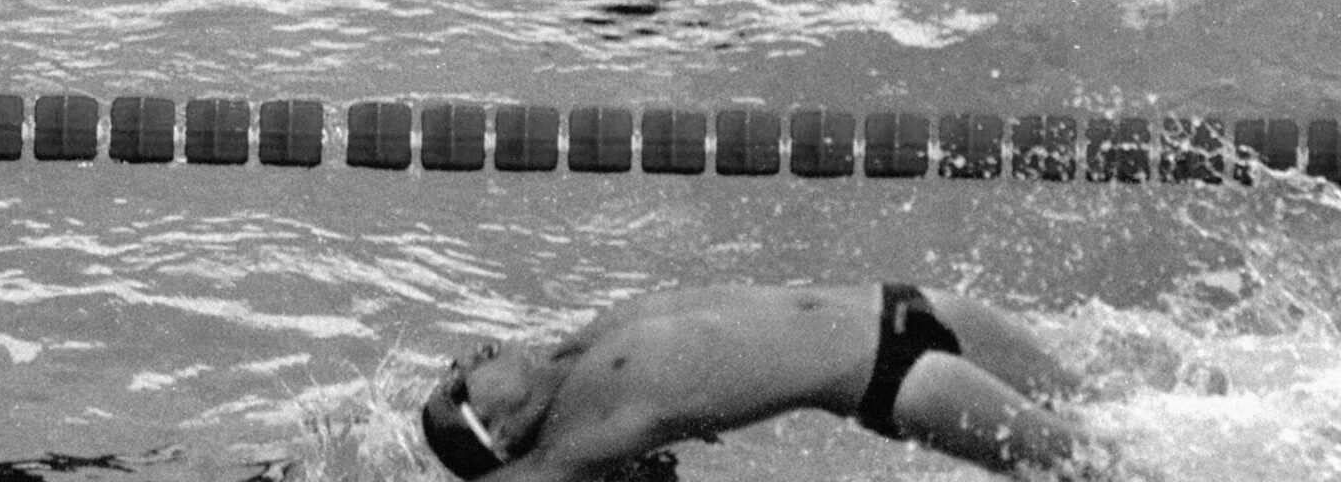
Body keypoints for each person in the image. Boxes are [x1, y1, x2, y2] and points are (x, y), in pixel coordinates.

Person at [421, 280, 1115, 480]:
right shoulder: (584, 430)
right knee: (1108, 473)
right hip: (894, 377)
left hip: (905, 305)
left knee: (1121, 416)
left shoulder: (586, 343)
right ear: (503, 432)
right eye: (456, 393)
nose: (459, 366)